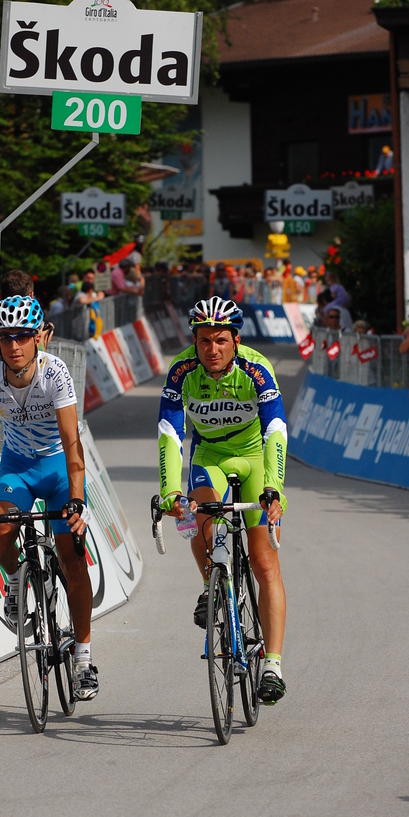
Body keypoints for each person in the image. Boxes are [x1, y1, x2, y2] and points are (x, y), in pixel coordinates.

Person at [0, 295, 97, 700]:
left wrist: (75, 499)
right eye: (5, 338)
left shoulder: (55, 373)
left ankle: (85, 659)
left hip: (57, 468)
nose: (13, 346)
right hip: (18, 466)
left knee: (72, 556)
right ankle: (17, 578)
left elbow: (72, 442)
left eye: (22, 337)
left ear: (37, 338)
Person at [157, 295, 288, 705]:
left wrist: (274, 489)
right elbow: (169, 433)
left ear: (235, 340)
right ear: (194, 342)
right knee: (199, 514)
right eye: (203, 341)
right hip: (209, 455)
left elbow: (276, 431)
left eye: (220, 341)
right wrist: (169, 491)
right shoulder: (181, 372)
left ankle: (273, 664)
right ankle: (209, 585)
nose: (211, 350)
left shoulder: (256, 369)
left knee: (264, 560)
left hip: (254, 457)